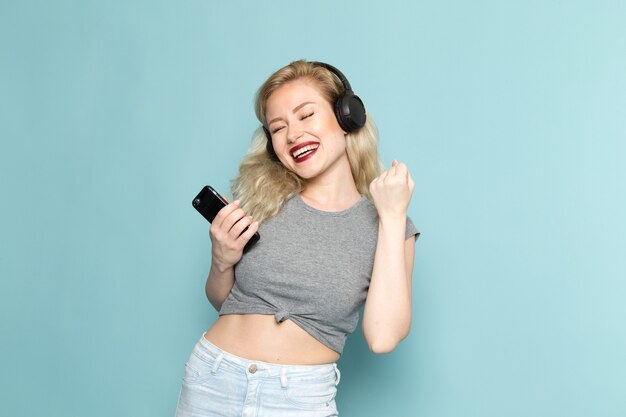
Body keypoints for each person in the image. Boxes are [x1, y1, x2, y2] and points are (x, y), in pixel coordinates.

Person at [175, 60, 419, 417]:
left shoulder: (390, 224)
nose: (292, 135)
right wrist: (221, 260)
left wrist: (393, 215)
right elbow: (224, 301)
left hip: (299, 398)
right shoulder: (259, 198)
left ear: (347, 116)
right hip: (212, 379)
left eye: (306, 115)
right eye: (278, 127)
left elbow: (383, 337)